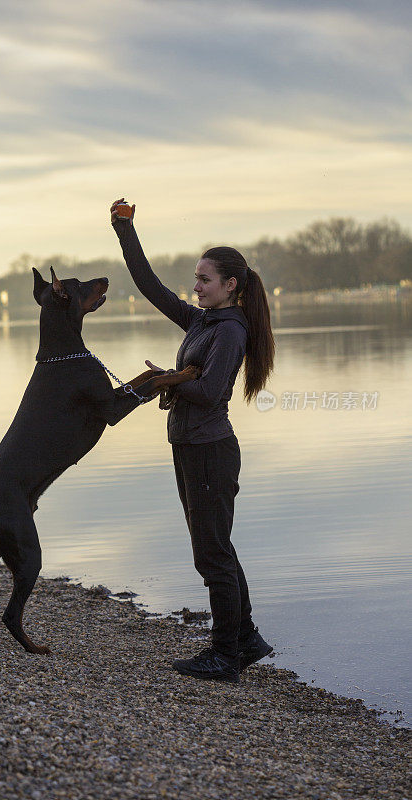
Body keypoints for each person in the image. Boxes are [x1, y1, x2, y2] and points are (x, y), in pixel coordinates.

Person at [110, 197, 276, 683]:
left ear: (230, 286)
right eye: (196, 279)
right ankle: (246, 638)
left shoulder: (230, 330)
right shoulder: (203, 320)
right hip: (192, 448)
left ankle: (225, 655)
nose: (196, 287)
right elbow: (149, 286)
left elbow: (209, 391)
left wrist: (168, 380)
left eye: (205, 280)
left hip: (210, 451)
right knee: (217, 546)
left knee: (211, 553)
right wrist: (125, 230)